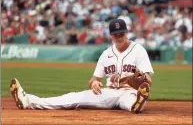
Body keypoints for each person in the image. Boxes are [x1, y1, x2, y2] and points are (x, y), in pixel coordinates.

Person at [10, 19, 154, 113]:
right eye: (116, 34)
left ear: (127, 33)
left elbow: (148, 81)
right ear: (111, 36)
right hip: (109, 92)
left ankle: (137, 104)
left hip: (130, 92)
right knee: (72, 98)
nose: (120, 37)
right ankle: (28, 100)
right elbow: (94, 79)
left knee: (131, 101)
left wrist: (141, 80)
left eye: (122, 33)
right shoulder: (105, 54)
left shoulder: (138, 50)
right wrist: (95, 83)